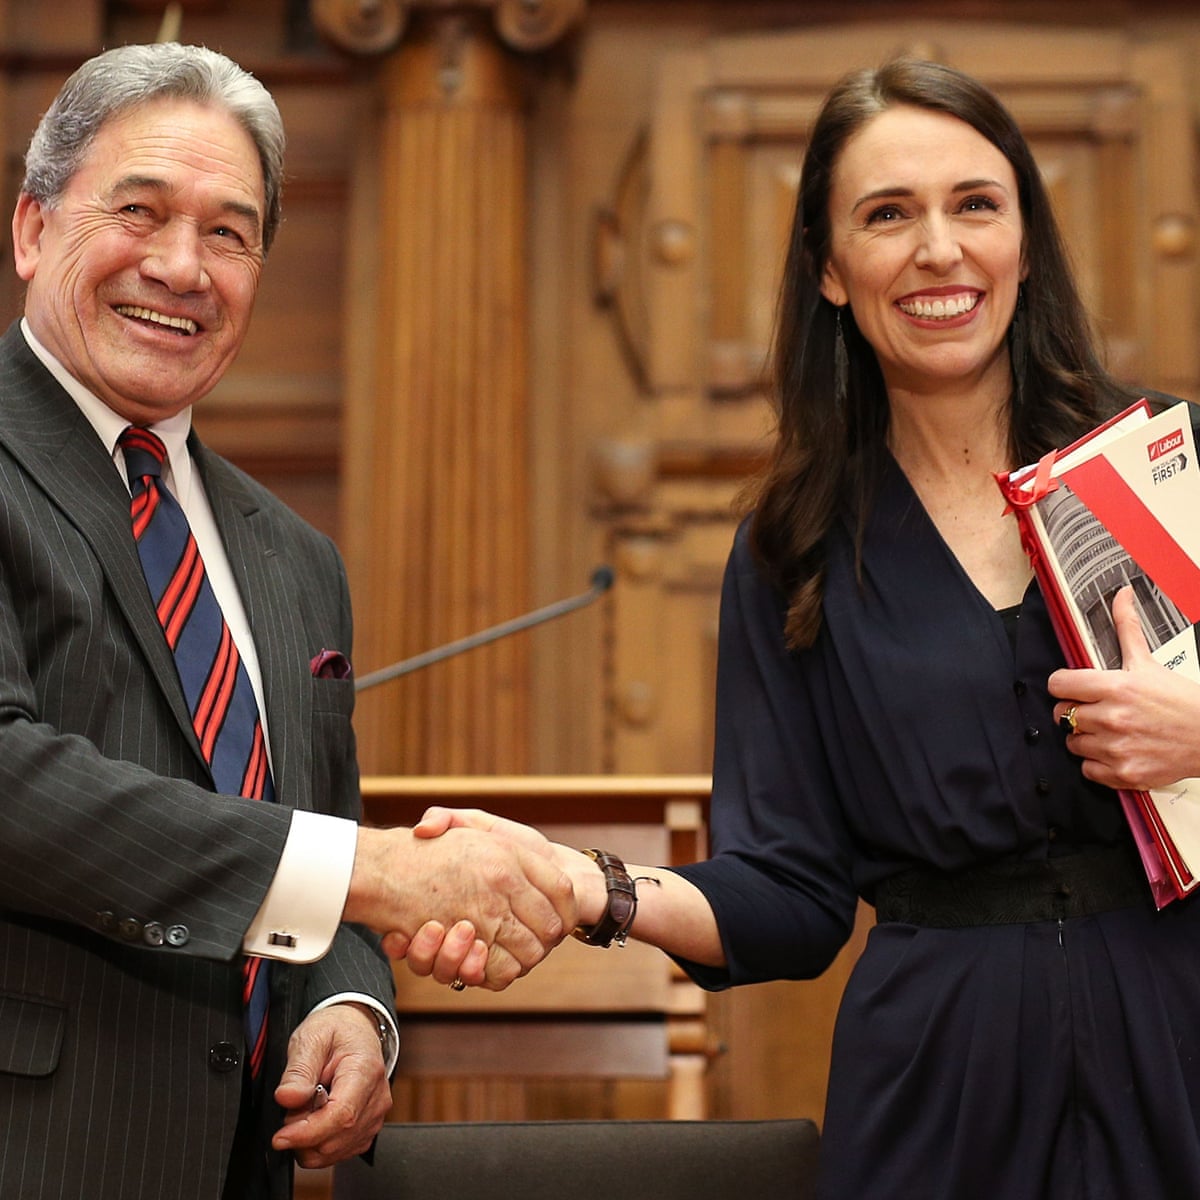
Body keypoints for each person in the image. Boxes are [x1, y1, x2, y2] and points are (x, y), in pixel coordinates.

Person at [402, 59, 1200, 1199]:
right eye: (888, 215)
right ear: (830, 269)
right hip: (936, 1092)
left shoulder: (1168, 465)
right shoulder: (795, 546)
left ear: (1026, 237)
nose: (939, 250)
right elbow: (792, 897)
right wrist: (592, 888)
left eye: (977, 204)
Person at [0, 42, 574, 1200]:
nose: (182, 266)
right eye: (141, 211)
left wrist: (352, 1007)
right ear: (31, 230)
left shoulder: (297, 557)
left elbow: (318, 839)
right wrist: (376, 879)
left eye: (230, 231)